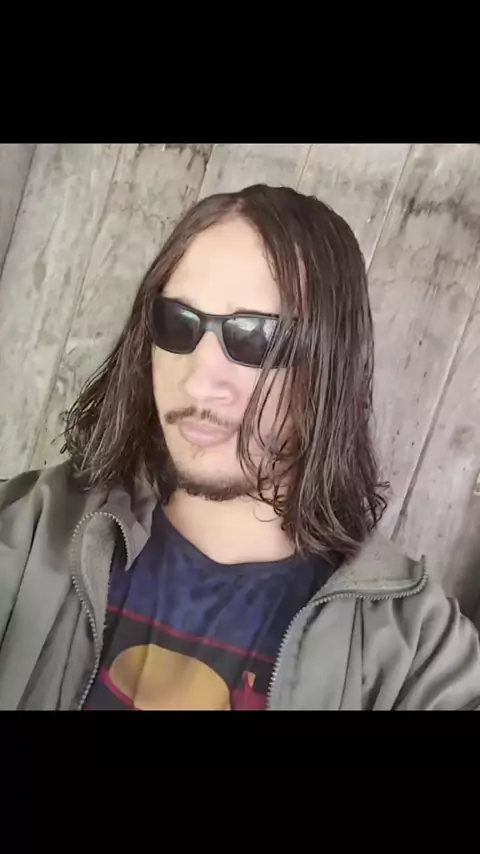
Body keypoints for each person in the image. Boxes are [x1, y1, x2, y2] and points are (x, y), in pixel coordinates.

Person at [1, 184, 479, 711]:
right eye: (178, 322)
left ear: (332, 366)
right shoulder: (32, 534)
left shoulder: (416, 652)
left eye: (256, 338)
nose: (199, 382)